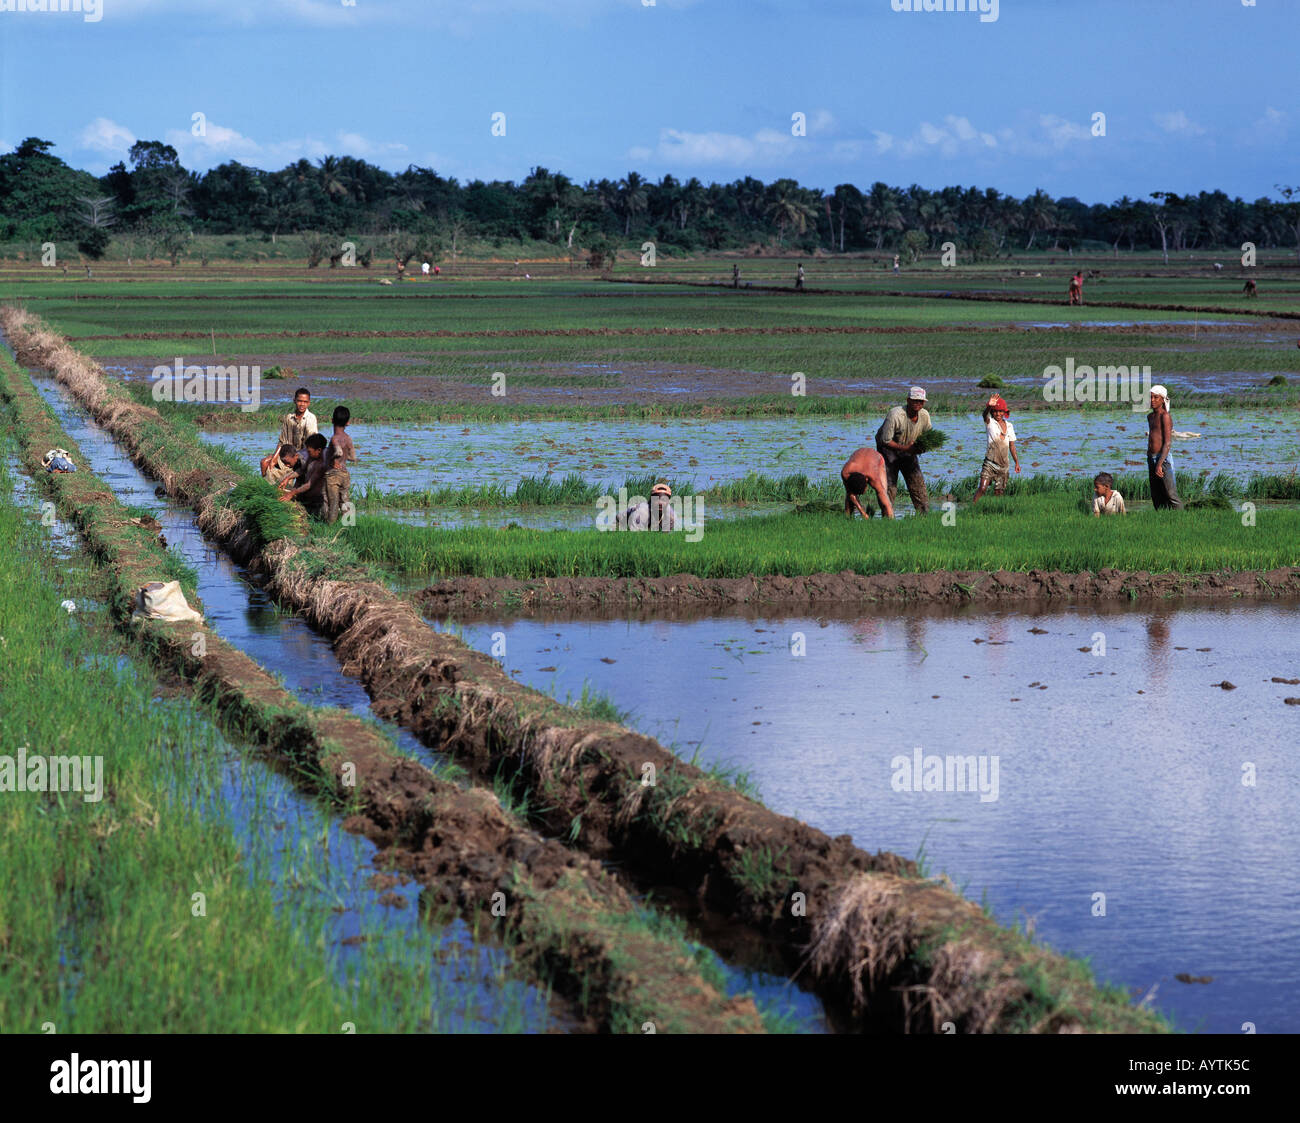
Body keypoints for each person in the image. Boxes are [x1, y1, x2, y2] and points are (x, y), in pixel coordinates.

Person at [875, 387, 932, 514]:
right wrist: (906, 448)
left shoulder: (924, 415)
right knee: (890, 487)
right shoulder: (895, 415)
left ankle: (924, 515)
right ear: (908, 400)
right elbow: (885, 440)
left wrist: (920, 448)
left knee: (918, 484)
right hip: (888, 450)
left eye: (921, 401)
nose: (918, 403)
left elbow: (927, 437)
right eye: (915, 400)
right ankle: (887, 516)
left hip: (908, 449)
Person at [972, 396, 1019, 503]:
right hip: (989, 463)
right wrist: (989, 406)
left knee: (999, 493)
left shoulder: (1010, 426)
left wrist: (1017, 462)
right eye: (995, 411)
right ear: (992, 412)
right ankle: (972, 507)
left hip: (1003, 466)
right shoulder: (990, 423)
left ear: (1004, 412)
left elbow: (1012, 446)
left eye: (1000, 411)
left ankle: (995, 512)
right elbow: (984, 415)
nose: (998, 414)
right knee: (982, 488)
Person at [262, 387, 317, 475]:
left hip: (303, 456)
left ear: (309, 403)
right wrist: (274, 459)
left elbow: (311, 445)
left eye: (305, 402)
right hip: (288, 455)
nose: (302, 404)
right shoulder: (289, 418)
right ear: (294, 401)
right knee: (265, 462)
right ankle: (264, 487)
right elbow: (282, 441)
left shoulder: (311, 418)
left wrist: (296, 458)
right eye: (299, 401)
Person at [1146, 385, 1181, 510]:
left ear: (1163, 400)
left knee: (1170, 493)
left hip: (1163, 458)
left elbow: (1167, 443)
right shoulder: (1150, 417)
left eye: (1156, 397)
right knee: (1156, 494)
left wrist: (1159, 464)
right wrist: (1151, 459)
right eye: (1150, 397)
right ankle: (1161, 518)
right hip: (1151, 458)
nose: (1152, 400)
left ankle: (1182, 518)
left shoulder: (1164, 416)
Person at [279, 433, 329, 515]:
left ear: (296, 456)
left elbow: (309, 484)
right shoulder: (299, 458)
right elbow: (301, 471)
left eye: (287, 463)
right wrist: (287, 479)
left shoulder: (311, 461)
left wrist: (292, 493)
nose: (286, 466)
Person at [840, 447, 893, 520]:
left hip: (878, 460)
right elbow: (850, 493)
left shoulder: (873, 476)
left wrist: (892, 519)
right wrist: (862, 512)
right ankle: (848, 519)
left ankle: (886, 518)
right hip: (859, 457)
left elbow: (887, 503)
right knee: (849, 496)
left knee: (882, 493)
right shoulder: (845, 473)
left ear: (867, 479)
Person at [322, 448, 352, 524]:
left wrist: (334, 461)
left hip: (333, 474)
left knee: (332, 501)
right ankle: (348, 524)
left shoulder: (323, 452)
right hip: (345, 473)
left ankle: (330, 524)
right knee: (344, 498)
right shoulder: (330, 450)